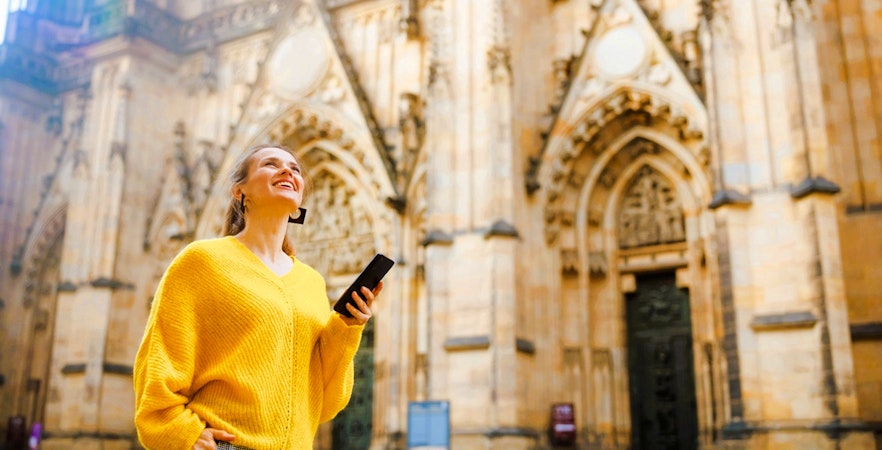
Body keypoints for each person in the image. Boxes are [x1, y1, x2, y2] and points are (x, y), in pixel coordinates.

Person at [133, 144, 381, 450]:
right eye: (270, 164)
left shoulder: (311, 282)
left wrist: (347, 326)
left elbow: (326, 402)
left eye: (295, 169)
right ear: (240, 193)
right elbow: (160, 362)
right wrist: (181, 433)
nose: (287, 171)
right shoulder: (202, 261)